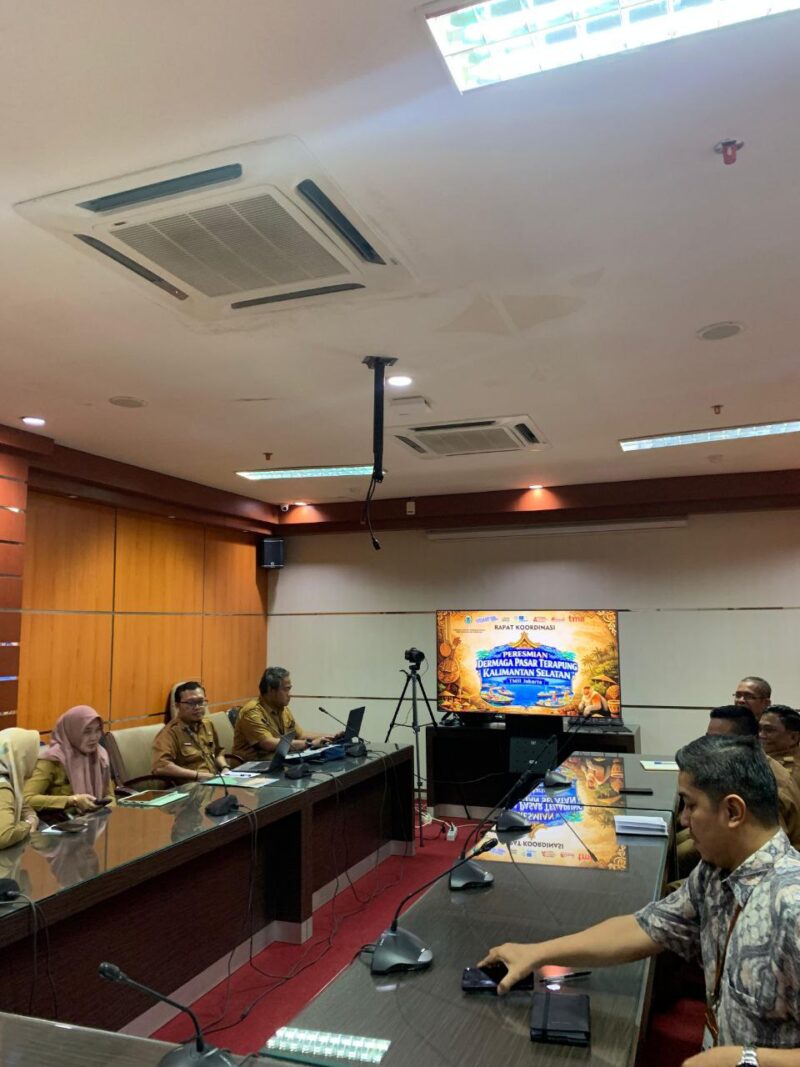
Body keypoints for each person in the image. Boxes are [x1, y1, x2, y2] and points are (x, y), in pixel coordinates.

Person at [480, 735, 800, 1056]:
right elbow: (645, 928)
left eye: (690, 805)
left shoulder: (791, 907)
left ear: (732, 811)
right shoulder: (717, 870)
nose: (683, 819)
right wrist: (537, 953)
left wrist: (747, 1060)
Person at [676, 706, 800, 875]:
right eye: (707, 738)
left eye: (719, 740)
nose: (708, 746)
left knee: (674, 857)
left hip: (757, 868)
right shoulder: (737, 768)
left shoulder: (763, 781)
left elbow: (765, 851)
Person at [24, 705, 114, 814]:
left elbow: (109, 795)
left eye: (98, 730)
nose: (94, 737)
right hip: (65, 821)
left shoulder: (100, 755)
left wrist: (110, 809)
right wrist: (72, 800)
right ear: (72, 731)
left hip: (96, 819)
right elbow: (27, 799)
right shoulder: (53, 760)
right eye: (87, 731)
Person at [232, 667, 332, 763]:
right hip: (252, 767)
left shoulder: (282, 708)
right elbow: (268, 743)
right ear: (271, 690)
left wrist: (331, 737)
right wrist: (309, 744)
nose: (290, 694)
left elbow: (300, 735)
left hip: (276, 762)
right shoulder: (252, 711)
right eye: (286, 689)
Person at [152, 680, 230, 783]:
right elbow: (160, 767)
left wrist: (224, 767)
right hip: (192, 786)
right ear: (177, 705)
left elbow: (218, 752)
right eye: (191, 703)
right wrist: (198, 776)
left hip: (216, 781)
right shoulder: (170, 733)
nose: (197, 707)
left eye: (200, 702)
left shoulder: (207, 724)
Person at [0, 728, 40, 848]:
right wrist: (28, 825)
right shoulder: (3, 786)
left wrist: (32, 817)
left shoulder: (7, 777)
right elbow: (4, 836)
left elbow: (22, 806)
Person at [759, 706, 800, 785]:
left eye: (769, 730)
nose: (760, 735)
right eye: (759, 729)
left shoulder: (789, 774)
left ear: (793, 737)